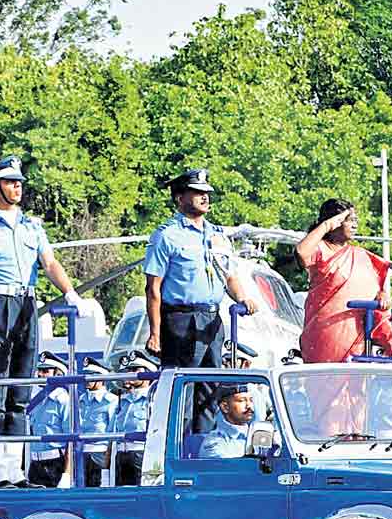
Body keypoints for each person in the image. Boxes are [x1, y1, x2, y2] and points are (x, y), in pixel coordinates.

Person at [0, 156, 83, 441]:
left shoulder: (32, 226)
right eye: (10, 182)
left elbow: (50, 263)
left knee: (22, 384)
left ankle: (15, 466)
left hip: (28, 303)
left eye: (19, 183)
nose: (17, 188)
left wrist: (70, 292)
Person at [143, 168, 258, 434]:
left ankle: (203, 445)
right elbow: (153, 288)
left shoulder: (216, 235)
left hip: (212, 319)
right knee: (182, 389)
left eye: (206, 193)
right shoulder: (167, 235)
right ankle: (178, 449)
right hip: (180, 319)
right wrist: (155, 333)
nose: (205, 198)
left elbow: (228, 275)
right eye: (197, 193)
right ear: (180, 197)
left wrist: (243, 298)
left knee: (211, 388)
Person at [296, 198, 392, 363]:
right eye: (349, 220)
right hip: (324, 336)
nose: (355, 225)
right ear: (334, 223)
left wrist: (382, 295)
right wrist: (327, 225)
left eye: (356, 220)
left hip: (357, 339)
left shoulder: (362, 256)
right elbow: (301, 252)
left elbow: (373, 288)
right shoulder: (322, 249)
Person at [112, 351, 158, 486]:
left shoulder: (153, 399)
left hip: (141, 452)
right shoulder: (123, 400)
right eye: (128, 370)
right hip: (122, 453)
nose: (130, 373)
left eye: (135, 369)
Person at [27, 352, 72, 488]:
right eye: (39, 370)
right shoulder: (36, 400)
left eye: (45, 371)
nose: (40, 375)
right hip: (35, 464)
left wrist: (67, 473)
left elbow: (72, 440)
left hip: (55, 464)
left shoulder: (64, 400)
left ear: (58, 374)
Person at [78, 358, 118, 488]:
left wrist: (107, 464)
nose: (87, 378)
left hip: (100, 454)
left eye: (92, 375)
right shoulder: (81, 400)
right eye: (86, 374)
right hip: (81, 454)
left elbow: (113, 434)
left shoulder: (111, 401)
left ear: (101, 378)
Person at [200, 385, 256, 459]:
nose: (249, 406)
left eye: (251, 400)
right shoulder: (213, 443)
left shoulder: (256, 434)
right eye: (242, 400)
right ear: (225, 407)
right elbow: (229, 468)